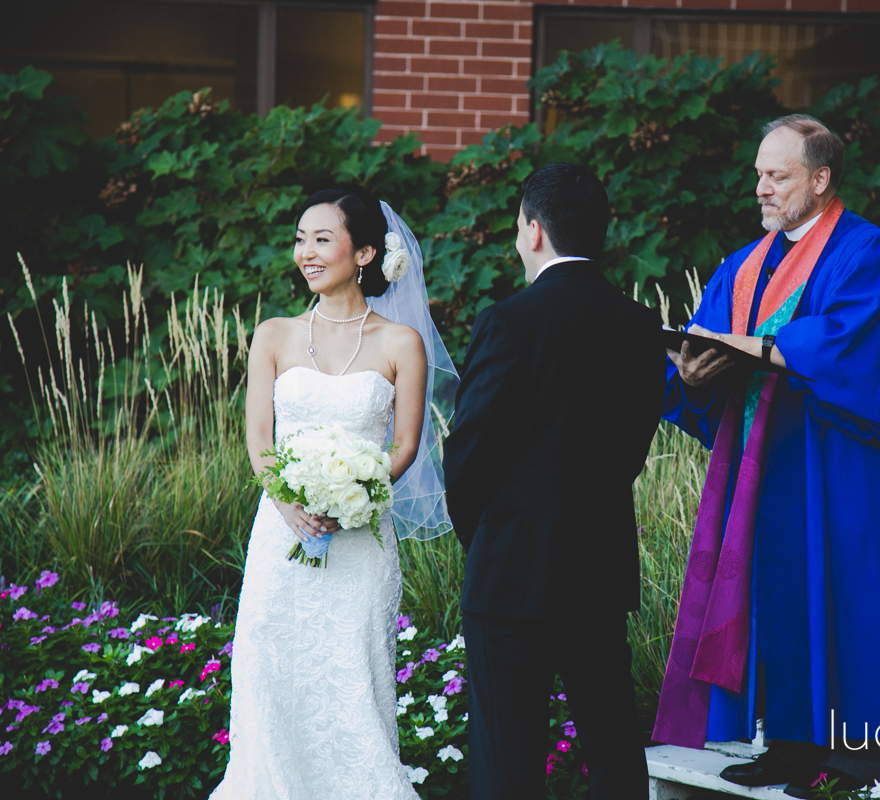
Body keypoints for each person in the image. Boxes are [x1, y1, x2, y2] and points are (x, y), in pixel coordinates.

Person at [653, 115, 880, 796]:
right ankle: (789, 746)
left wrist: (758, 350)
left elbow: (847, 348)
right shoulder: (747, 264)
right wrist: (691, 376)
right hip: (770, 460)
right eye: (758, 174)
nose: (761, 188)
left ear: (820, 178)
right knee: (779, 593)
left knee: (854, 594)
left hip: (847, 462)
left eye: (776, 175)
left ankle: (863, 752)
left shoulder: (867, 252)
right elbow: (709, 345)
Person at [213, 184, 457, 799]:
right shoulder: (273, 335)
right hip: (279, 538)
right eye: (301, 239)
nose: (306, 253)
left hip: (359, 543)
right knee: (273, 681)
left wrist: (357, 491)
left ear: (367, 253)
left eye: (322, 239)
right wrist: (292, 501)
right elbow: (259, 440)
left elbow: (405, 444)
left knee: (353, 686)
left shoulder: (403, 343)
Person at [442, 162, 666, 800]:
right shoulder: (639, 324)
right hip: (600, 562)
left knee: (507, 754)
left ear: (534, 231)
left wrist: (484, 536)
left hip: (511, 570)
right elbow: (631, 446)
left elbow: (469, 453)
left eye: (518, 228)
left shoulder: (509, 321)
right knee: (612, 742)